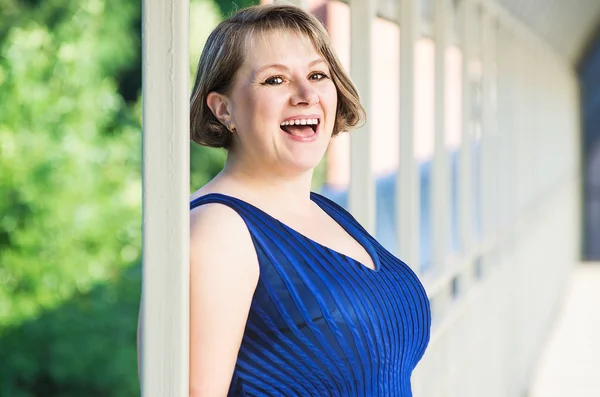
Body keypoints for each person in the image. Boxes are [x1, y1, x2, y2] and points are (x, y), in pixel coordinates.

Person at [188, 3, 431, 396]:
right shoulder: (217, 231)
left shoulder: (326, 211)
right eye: (274, 80)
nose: (306, 94)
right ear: (223, 108)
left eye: (317, 75)